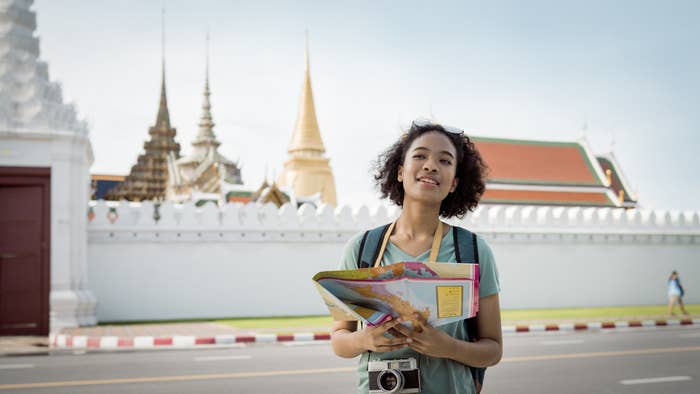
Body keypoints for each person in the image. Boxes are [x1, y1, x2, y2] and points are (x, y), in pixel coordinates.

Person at [330, 119, 502, 394]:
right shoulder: (362, 249)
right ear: (400, 171)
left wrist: (448, 347)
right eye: (420, 155)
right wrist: (365, 339)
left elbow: (493, 349)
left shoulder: (472, 250)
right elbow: (339, 340)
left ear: (455, 182)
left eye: (445, 161)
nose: (431, 165)